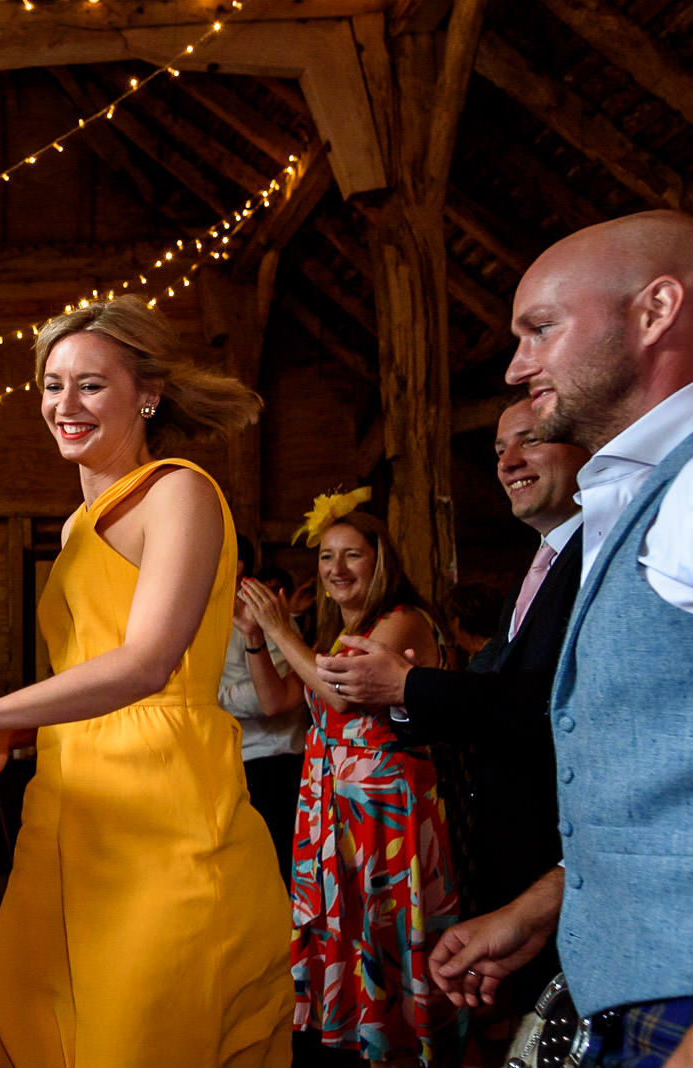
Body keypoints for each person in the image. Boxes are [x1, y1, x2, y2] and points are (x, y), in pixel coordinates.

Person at [0, 295, 293, 1068]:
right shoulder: (73, 527)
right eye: (53, 386)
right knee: (36, 1022)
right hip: (68, 809)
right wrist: (10, 734)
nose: (65, 404)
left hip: (162, 808)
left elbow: (147, 663)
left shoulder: (178, 492)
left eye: (90, 384)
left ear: (145, 394)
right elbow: (87, 669)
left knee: (141, 1033)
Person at [430, 210, 693, 1068]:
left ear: (654, 312)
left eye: (541, 328)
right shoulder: (640, 490)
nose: (515, 365)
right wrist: (547, 906)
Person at [313, 397, 585, 1026]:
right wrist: (408, 696)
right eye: (497, 451)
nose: (508, 462)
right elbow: (485, 683)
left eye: (530, 441)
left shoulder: (590, 557)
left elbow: (553, 701)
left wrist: (405, 687)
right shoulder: (541, 562)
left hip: (558, 841)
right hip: (517, 851)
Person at [238, 491, 461, 1066]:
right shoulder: (343, 630)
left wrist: (281, 625)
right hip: (334, 801)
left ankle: (407, 1044)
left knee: (387, 928)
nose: (335, 570)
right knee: (354, 926)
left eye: (351, 556)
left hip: (385, 804)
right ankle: (360, 1038)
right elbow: (278, 698)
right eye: (325, 557)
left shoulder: (401, 619)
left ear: (380, 560)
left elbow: (341, 695)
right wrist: (257, 639)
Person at [221, 540, 306, 887]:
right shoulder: (195, 608)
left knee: (274, 878)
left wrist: (204, 698)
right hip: (227, 765)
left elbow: (274, 695)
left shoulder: (263, 609)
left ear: (237, 564)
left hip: (273, 762)